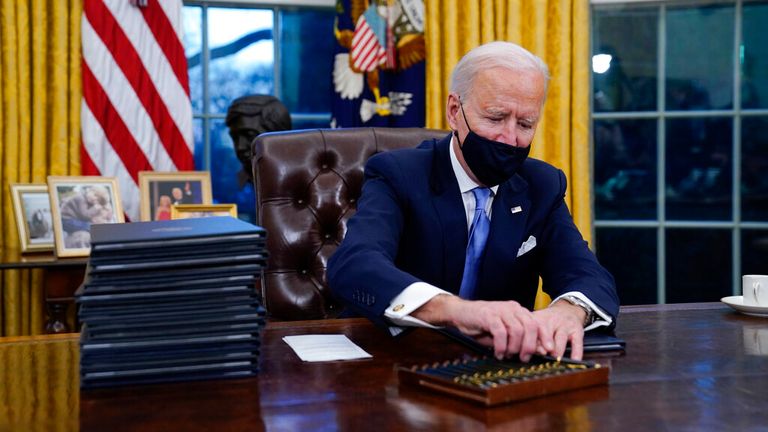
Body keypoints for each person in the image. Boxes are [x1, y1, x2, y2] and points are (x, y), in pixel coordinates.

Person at [328, 42, 619, 362]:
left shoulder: (541, 185)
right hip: (396, 364)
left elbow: (587, 274)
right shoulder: (398, 174)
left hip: (500, 371)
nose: (509, 138)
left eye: (525, 124)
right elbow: (354, 265)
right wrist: (456, 311)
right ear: (455, 111)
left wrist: (569, 311)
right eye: (495, 118)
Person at [225, 95, 292, 182]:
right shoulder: (230, 183)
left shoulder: (300, 182)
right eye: (235, 137)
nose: (240, 147)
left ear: (278, 138)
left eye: (249, 135)